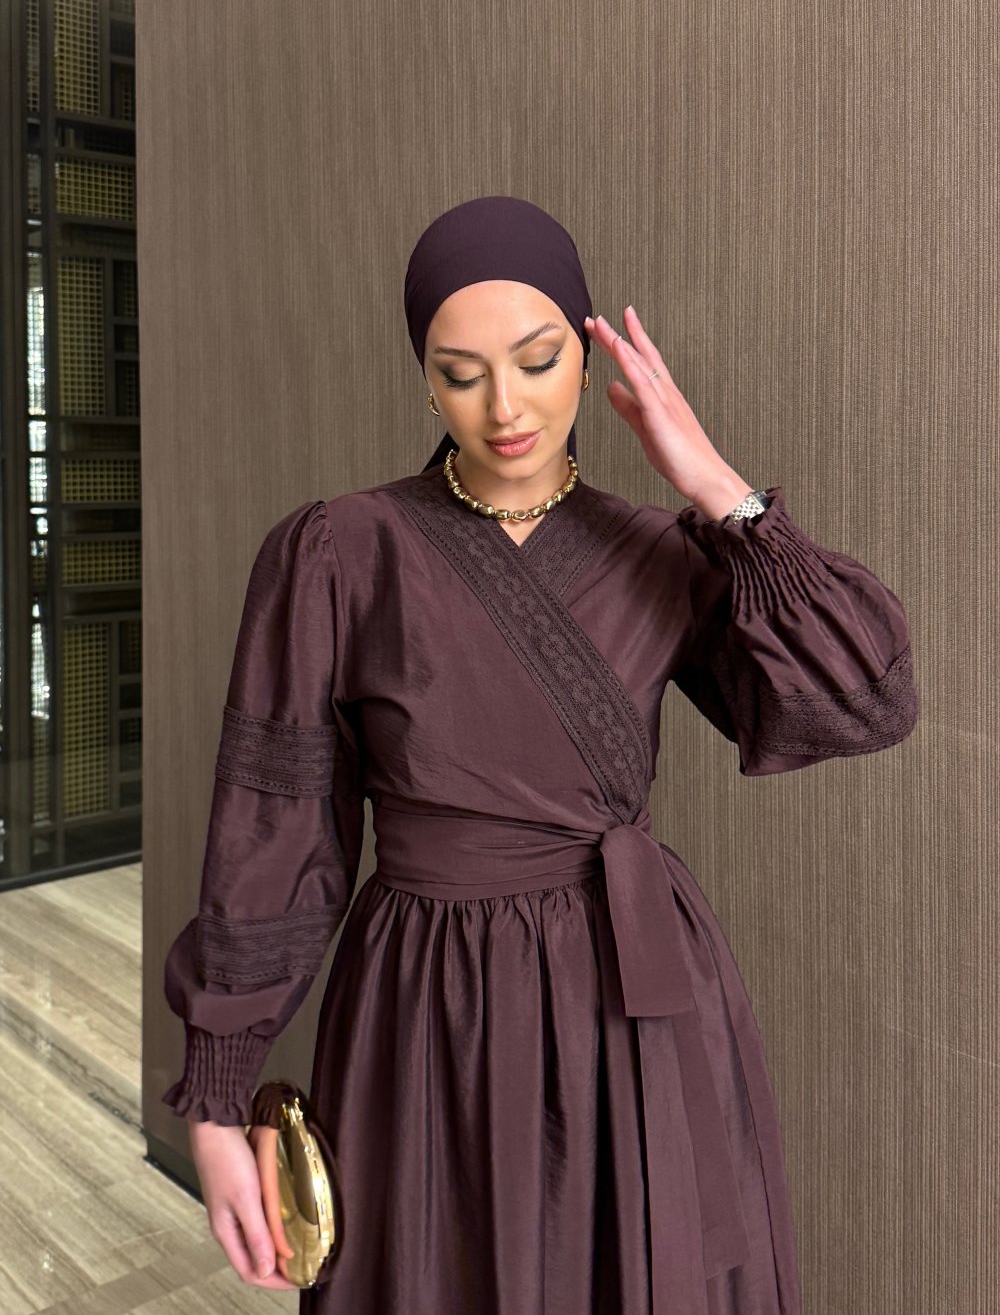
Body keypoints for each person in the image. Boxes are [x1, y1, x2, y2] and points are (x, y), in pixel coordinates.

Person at [161, 195, 919, 1314]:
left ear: (590, 351)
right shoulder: (341, 552)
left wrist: (718, 489)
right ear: (427, 381)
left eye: (538, 359)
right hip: (425, 1002)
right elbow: (273, 835)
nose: (505, 406)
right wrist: (217, 1098)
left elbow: (868, 700)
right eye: (461, 373)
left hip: (635, 1001)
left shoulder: (664, 552)